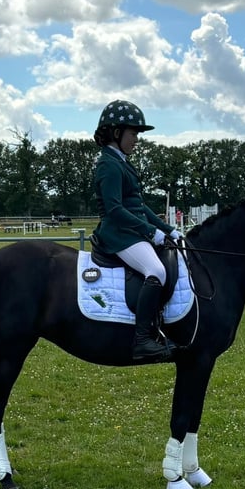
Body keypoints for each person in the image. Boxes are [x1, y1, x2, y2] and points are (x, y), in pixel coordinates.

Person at [91, 99, 180, 362]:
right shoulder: (108, 163)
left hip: (129, 231)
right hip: (117, 234)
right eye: (133, 133)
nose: (137, 140)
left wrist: (168, 229)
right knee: (157, 271)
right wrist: (150, 232)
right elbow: (115, 209)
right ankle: (142, 340)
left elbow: (139, 206)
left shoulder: (121, 161)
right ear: (116, 133)